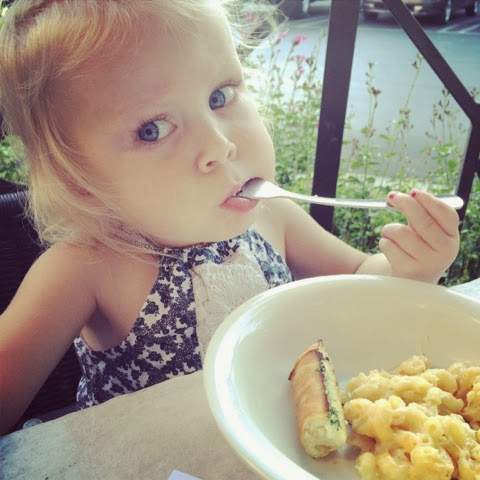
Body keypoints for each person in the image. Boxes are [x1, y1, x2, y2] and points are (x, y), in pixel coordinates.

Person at [0, 0, 460, 435]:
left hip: (276, 440)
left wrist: (410, 268)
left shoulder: (272, 215)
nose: (221, 145)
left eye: (220, 96)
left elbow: (360, 279)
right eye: (152, 130)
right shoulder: (87, 266)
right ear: (80, 180)